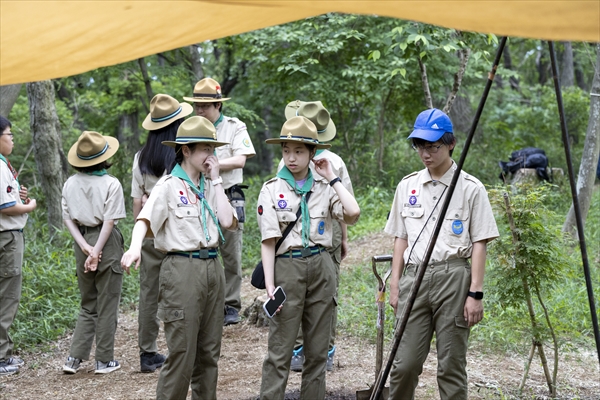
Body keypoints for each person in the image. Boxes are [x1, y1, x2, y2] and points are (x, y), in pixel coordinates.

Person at [385, 108, 499, 399]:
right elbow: (401, 237)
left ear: (450, 144)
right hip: (415, 279)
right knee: (404, 364)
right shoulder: (407, 186)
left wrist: (476, 293)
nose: (426, 153)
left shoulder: (471, 188)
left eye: (433, 146)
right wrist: (395, 283)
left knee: (451, 366)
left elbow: (479, 243)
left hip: (454, 279)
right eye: (420, 145)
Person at [121, 116, 238, 400]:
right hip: (182, 270)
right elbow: (143, 220)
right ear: (185, 150)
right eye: (204, 149)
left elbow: (227, 221)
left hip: (213, 267)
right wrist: (135, 247)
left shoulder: (211, 185)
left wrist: (218, 179)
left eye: (213, 148)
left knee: (209, 353)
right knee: (183, 353)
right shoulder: (169, 185)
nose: (210, 155)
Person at [258, 116, 360, 399]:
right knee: (280, 350)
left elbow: (352, 213)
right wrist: (269, 288)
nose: (291, 158)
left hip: (321, 265)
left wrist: (333, 177)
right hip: (287, 269)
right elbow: (268, 243)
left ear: (313, 153)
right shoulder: (271, 189)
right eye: (286, 150)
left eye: (299, 151)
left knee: (316, 352)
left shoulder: (326, 188)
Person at [277, 101, 354, 372]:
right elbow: (345, 207)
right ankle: (325, 350)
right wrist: (343, 238)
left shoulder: (296, 160)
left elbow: (342, 203)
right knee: (325, 297)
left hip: (309, 236)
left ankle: (301, 350)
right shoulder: (336, 161)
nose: (292, 156)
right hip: (327, 236)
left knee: (305, 297)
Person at [184, 78, 256, 326]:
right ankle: (208, 302)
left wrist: (214, 166)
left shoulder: (234, 127)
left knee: (231, 253)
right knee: (202, 247)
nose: (200, 110)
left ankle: (232, 304)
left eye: (205, 105)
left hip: (228, 193)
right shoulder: (192, 128)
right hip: (200, 195)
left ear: (218, 104)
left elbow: (240, 160)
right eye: (197, 105)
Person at [132, 93, 193, 373]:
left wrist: (141, 234)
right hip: (179, 236)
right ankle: (180, 348)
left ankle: (148, 353)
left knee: (149, 294)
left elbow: (137, 205)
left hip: (150, 235)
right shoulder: (183, 155)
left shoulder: (140, 158)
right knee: (179, 291)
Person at [61, 130, 126, 375]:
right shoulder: (111, 183)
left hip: (82, 241)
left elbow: (68, 219)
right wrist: (97, 251)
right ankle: (103, 360)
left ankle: (73, 359)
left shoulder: (70, 183)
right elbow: (109, 222)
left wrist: (86, 248)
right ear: (103, 157)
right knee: (108, 303)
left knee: (88, 303)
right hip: (105, 242)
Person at [0, 116, 37, 376]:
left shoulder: (4, 166)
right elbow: (8, 208)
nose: (12, 139)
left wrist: (18, 195)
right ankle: (1, 356)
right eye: (9, 134)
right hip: (7, 237)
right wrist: (29, 205)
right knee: (7, 296)